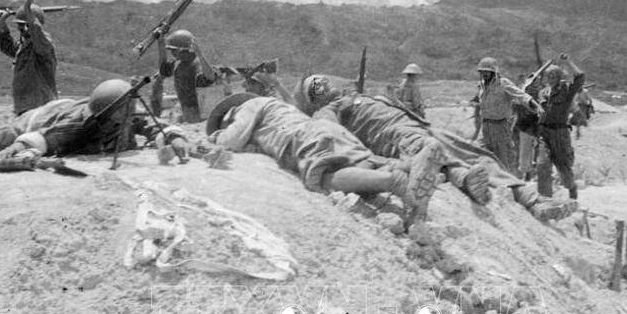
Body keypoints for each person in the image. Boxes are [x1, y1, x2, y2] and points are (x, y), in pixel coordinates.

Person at [289, 73, 577, 221]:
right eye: (316, 89)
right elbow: (327, 130)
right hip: (393, 134)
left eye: (323, 82)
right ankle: (464, 179)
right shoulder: (327, 112)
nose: (324, 87)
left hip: (419, 125)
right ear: (313, 100)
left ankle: (533, 200)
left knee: (479, 154)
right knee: (428, 149)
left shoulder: (362, 96)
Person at [206, 93, 443, 226]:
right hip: (326, 129)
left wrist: (216, 136)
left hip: (302, 139)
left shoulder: (248, 107)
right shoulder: (279, 108)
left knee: (323, 178)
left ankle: (395, 182)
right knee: (360, 163)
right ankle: (408, 166)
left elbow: (231, 140)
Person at [0, 78, 184, 161]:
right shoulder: (78, 125)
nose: (132, 114)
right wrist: (18, 147)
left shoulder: (128, 116)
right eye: (125, 110)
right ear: (108, 113)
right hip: (42, 118)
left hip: (70, 106)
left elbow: (150, 124)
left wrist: (173, 138)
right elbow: (44, 137)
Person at [471, 57, 543, 173]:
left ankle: (511, 185)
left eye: (487, 71)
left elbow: (521, 95)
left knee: (503, 160)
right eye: (482, 72)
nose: (484, 74)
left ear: (493, 72)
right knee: (479, 154)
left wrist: (535, 105)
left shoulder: (503, 83)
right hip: (485, 127)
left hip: (500, 126)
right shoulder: (482, 86)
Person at [0, 0, 58, 115]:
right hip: (24, 107)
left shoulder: (43, 44)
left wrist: (28, 9)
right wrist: (2, 24)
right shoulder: (24, 46)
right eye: (20, 26)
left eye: (25, 25)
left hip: (41, 107)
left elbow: (36, 31)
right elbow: (8, 48)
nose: (22, 29)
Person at [536, 53, 584, 199]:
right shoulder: (542, 93)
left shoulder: (566, 91)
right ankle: (546, 199)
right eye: (548, 76)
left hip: (560, 134)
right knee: (542, 165)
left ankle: (572, 188)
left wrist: (568, 62)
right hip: (544, 133)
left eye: (553, 76)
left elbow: (580, 77)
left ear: (559, 77)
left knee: (563, 168)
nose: (550, 79)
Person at [153, 29, 219, 123]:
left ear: (183, 50)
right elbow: (163, 69)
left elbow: (210, 77)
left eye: (174, 50)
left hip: (199, 112)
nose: (172, 53)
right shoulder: (178, 63)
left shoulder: (197, 64)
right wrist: (161, 44)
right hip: (186, 109)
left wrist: (200, 55)